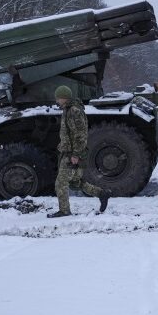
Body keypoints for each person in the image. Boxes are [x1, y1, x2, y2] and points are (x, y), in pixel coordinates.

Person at [47, 85, 111, 218]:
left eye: (58, 98)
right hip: (69, 152)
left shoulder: (74, 111)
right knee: (75, 182)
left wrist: (75, 154)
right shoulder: (68, 109)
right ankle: (102, 193)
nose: (57, 101)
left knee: (61, 182)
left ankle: (64, 211)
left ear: (64, 97)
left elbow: (80, 134)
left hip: (73, 153)